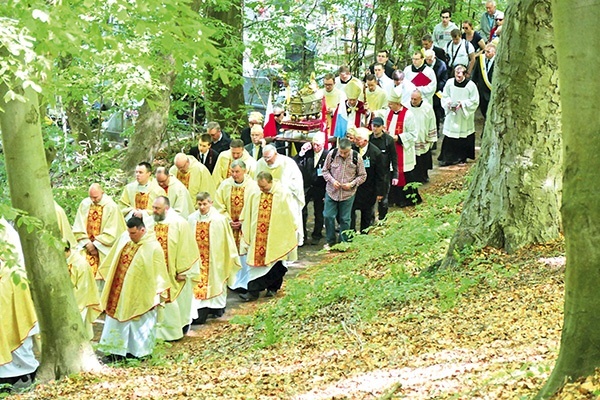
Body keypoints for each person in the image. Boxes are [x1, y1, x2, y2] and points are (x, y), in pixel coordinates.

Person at [97, 217, 170, 361]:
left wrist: (157, 292)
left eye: (133, 233)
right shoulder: (127, 242)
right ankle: (114, 352)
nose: (130, 236)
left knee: (139, 324)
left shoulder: (153, 247)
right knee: (116, 321)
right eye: (129, 233)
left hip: (143, 294)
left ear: (142, 230)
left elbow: (159, 272)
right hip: (120, 292)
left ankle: (139, 353)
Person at [239, 172, 298, 300]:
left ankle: (273, 288)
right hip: (257, 237)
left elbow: (290, 216)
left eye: (264, 187)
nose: (262, 189)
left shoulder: (282, 194)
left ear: (270, 182)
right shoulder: (255, 193)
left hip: (276, 238)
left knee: (276, 263)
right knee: (254, 266)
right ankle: (253, 291)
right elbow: (248, 213)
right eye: (260, 187)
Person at [187, 193, 240, 322]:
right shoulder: (191, 219)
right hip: (197, 260)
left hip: (215, 259)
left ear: (211, 203)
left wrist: (227, 256)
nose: (202, 207)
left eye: (205, 204)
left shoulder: (219, 219)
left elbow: (227, 241)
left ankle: (217, 308)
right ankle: (201, 310)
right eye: (199, 204)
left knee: (216, 280)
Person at [152, 196, 199, 340]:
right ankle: (158, 333)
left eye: (157, 208)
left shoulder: (179, 223)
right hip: (155, 274)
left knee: (180, 303)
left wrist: (183, 271)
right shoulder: (148, 222)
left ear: (166, 208)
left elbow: (187, 248)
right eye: (153, 207)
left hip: (175, 273)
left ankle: (179, 330)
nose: (154, 211)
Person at [0, 218, 39, 390]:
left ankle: (27, 370)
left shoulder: (5, 230)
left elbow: (11, 258)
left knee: (14, 327)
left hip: (11, 282)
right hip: (6, 281)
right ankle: (7, 373)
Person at [213, 159, 260, 292]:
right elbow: (219, 205)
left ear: (244, 171)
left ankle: (246, 282)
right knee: (231, 253)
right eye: (232, 171)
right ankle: (232, 281)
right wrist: (228, 220)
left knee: (245, 254)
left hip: (246, 227)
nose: (234, 174)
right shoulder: (224, 185)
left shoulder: (253, 186)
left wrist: (243, 221)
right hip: (229, 227)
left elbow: (255, 207)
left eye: (237, 171)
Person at [73, 183, 127, 294]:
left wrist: (95, 245)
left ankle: (100, 306)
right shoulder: (85, 204)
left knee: (101, 281)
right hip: (86, 247)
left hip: (103, 251)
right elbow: (78, 226)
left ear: (102, 193)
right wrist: (87, 243)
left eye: (96, 197)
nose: (93, 200)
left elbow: (113, 232)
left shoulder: (112, 207)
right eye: (91, 197)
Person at [255, 144, 305, 246]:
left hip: (285, 200)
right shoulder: (260, 163)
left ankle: (289, 247)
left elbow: (297, 183)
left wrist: (281, 187)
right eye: (265, 158)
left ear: (275, 154)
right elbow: (255, 181)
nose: (266, 161)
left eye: (268, 157)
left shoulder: (288, 163)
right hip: (266, 200)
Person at [322, 138, 367, 249]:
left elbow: (362, 175)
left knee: (345, 219)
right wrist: (332, 181)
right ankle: (330, 241)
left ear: (350, 149)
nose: (342, 154)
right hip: (332, 191)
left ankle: (343, 243)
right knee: (328, 216)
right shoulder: (332, 154)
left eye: (345, 153)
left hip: (348, 194)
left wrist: (351, 184)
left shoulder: (357, 157)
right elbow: (325, 171)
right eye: (341, 152)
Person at [385, 92, 422, 207]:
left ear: (397, 103)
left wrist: (398, 137)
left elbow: (413, 134)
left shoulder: (408, 115)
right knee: (391, 173)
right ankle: (393, 199)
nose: (389, 106)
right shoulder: (388, 112)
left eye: (391, 104)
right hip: (391, 149)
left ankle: (407, 199)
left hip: (404, 150)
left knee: (405, 174)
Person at [438, 65, 480, 166]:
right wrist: (448, 103)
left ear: (465, 74)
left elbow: (475, 101)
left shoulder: (471, 85)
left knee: (463, 136)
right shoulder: (449, 83)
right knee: (450, 137)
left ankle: (462, 157)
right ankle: (447, 158)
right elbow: (445, 96)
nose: (459, 75)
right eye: (457, 72)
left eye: (461, 73)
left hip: (463, 115)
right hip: (452, 114)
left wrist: (462, 104)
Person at [294, 132, 329, 244]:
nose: (316, 147)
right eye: (314, 144)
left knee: (319, 212)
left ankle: (317, 234)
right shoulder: (308, 153)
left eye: (318, 145)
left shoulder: (327, 155)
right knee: (302, 211)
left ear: (323, 144)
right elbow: (295, 163)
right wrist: (301, 152)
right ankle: (303, 234)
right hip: (307, 187)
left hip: (320, 188)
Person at [64, 240, 101, 340]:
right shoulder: (62, 260)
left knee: (77, 331)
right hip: (65, 300)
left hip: (79, 302)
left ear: (66, 251)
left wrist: (69, 306)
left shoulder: (81, 264)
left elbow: (82, 290)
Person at [351, 127, 386, 232]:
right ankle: (350, 234)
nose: (355, 141)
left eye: (358, 139)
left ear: (365, 140)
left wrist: (380, 192)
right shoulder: (352, 150)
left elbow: (380, 175)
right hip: (353, 188)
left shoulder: (376, 153)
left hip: (369, 189)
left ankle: (364, 234)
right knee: (350, 212)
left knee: (366, 214)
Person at [119, 162, 166, 226]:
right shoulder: (129, 188)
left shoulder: (158, 191)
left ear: (148, 174)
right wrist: (132, 211)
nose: (137, 174)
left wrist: (143, 213)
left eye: (140, 172)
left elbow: (163, 211)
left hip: (151, 224)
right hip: (132, 223)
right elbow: (122, 206)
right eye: (136, 172)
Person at [369, 117, 398, 221]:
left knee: (383, 199)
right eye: (374, 126)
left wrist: (395, 174)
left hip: (384, 173)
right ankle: (370, 218)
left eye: (377, 126)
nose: (375, 129)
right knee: (370, 198)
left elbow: (394, 158)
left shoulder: (388, 140)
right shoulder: (368, 139)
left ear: (382, 127)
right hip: (371, 173)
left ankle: (383, 219)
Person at [408, 90, 438, 183]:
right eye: (412, 99)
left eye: (415, 99)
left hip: (423, 137)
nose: (413, 101)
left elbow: (432, 122)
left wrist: (431, 137)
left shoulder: (427, 108)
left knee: (423, 159)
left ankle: (423, 177)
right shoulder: (406, 107)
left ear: (421, 99)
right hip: (411, 139)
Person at [470, 43, 496, 120]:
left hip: (492, 91)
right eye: (485, 51)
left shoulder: (498, 61)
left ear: (494, 52)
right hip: (482, 91)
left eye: (488, 52)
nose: (486, 54)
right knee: (484, 110)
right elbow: (475, 74)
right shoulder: (481, 60)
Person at [424, 49, 448, 132]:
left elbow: (444, 80)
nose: (429, 61)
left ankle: (436, 129)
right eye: (427, 59)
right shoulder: (423, 65)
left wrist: (434, 88)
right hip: (425, 92)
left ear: (434, 57)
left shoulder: (441, 64)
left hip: (436, 92)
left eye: (430, 59)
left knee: (436, 112)